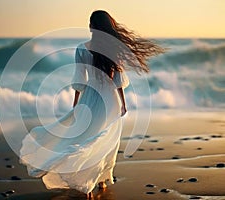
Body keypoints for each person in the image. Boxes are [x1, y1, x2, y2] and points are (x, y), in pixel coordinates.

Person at [20, 10, 165, 199]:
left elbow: (80, 79)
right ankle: (100, 179)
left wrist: (76, 104)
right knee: (105, 141)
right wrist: (122, 103)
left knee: (89, 138)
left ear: (91, 26)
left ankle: (90, 182)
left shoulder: (81, 48)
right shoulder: (113, 48)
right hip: (110, 100)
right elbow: (118, 80)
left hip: (91, 99)